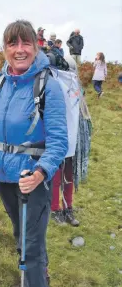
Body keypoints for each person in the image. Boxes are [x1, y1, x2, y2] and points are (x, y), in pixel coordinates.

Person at [0, 20, 68, 287]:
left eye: (25, 43)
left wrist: (41, 172)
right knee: (22, 233)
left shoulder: (48, 86)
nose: (19, 50)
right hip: (3, 173)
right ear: (5, 49)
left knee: (31, 239)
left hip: (32, 176)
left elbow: (59, 141)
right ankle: (34, 277)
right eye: (12, 44)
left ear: (36, 46)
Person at [51, 55, 92, 226]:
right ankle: (54, 209)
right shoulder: (52, 85)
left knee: (69, 174)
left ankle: (68, 207)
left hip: (74, 138)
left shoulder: (75, 85)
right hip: (57, 138)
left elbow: (80, 109)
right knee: (56, 174)